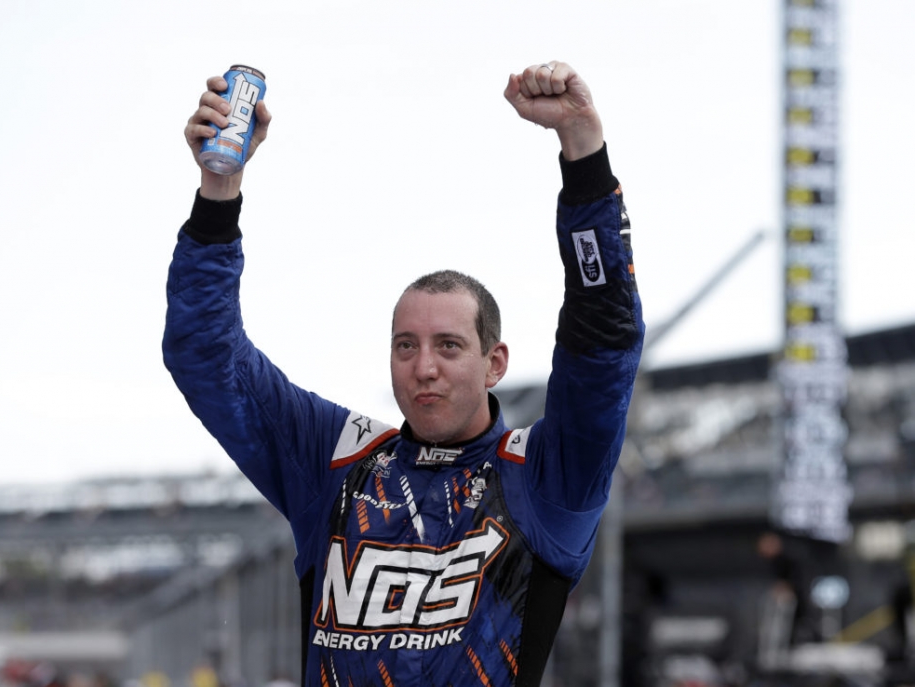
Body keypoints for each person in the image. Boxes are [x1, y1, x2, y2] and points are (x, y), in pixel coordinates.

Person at [164, 60, 643, 687]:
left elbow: (604, 344)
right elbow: (205, 354)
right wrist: (217, 192)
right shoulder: (334, 459)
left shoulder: (546, 478)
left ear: (495, 362)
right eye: (405, 346)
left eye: (448, 346)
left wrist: (583, 152)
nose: (424, 368)